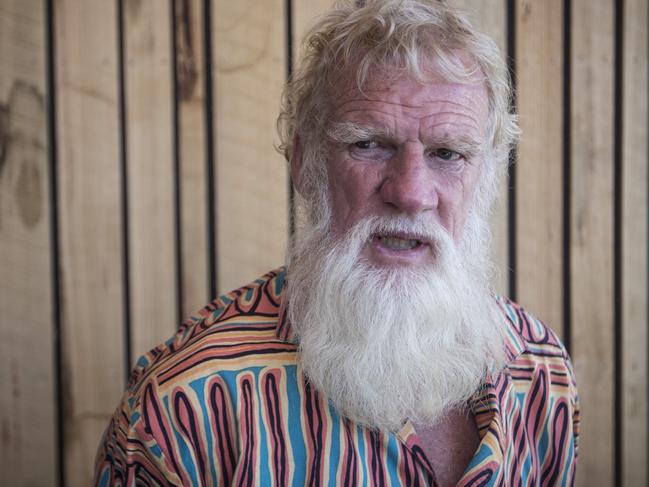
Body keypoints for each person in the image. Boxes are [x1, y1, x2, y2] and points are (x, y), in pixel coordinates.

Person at [94, 1, 579, 485]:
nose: (410, 193)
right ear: (305, 164)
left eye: (448, 153)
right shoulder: (185, 408)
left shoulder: (541, 373)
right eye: (368, 144)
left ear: (489, 178)